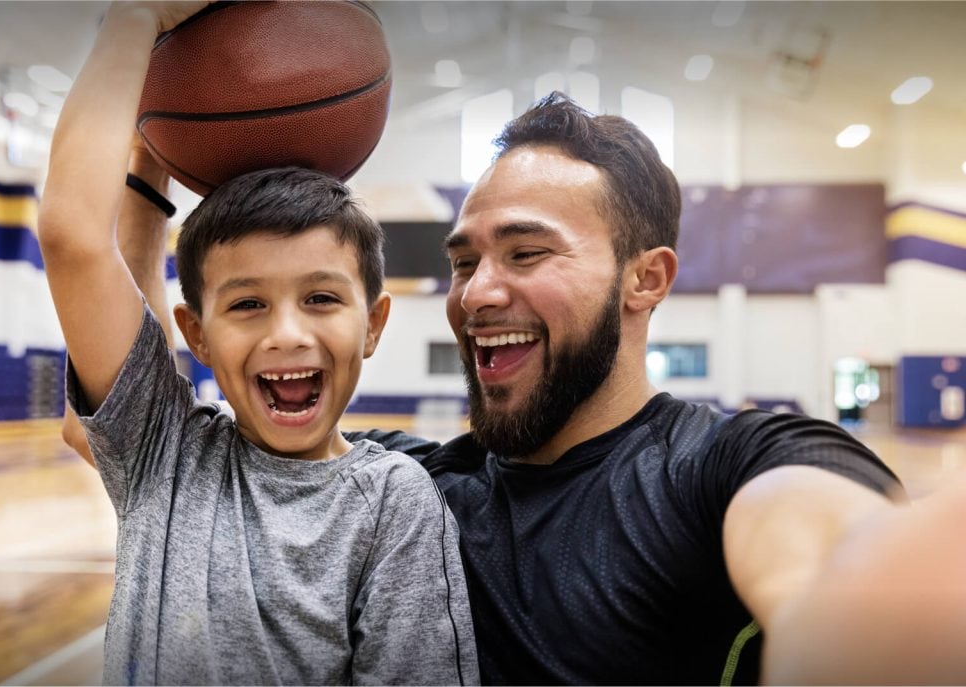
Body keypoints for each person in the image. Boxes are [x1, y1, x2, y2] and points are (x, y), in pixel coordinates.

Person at [65, 85, 931, 682]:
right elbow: (136, 407)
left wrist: (858, 616)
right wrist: (149, 189)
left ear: (647, 278)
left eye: (526, 252)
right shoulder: (405, 484)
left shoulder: (723, 465)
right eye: (465, 260)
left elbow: (831, 559)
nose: (478, 291)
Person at [39, 3, 477, 685]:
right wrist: (138, 21)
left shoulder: (395, 502)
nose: (287, 333)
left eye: (322, 297)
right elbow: (73, 233)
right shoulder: (164, 454)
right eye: (247, 304)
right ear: (197, 335)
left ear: (375, 323)